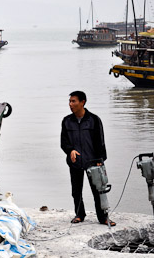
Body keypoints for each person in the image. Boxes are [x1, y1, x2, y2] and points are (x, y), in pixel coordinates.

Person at [60, 91, 116, 226]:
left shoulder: (94, 120)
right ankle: (79, 214)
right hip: (75, 162)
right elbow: (64, 142)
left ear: (82, 102)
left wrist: (99, 161)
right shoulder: (67, 121)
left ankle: (103, 217)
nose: (70, 104)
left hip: (93, 162)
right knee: (76, 191)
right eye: (70, 101)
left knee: (98, 191)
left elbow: (100, 142)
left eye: (73, 101)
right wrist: (70, 151)